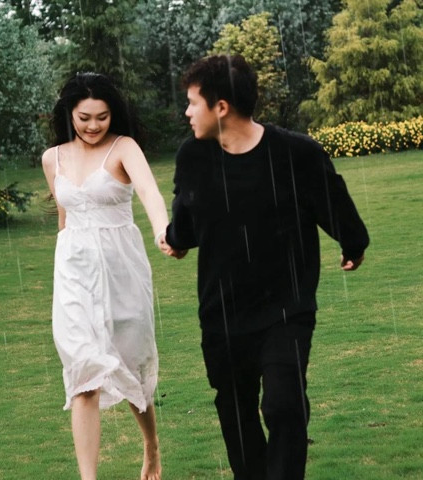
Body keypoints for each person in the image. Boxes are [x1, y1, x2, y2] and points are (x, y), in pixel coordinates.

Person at [164, 55, 370, 480]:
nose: (187, 112)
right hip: (222, 314)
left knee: (284, 405)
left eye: (192, 103)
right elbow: (187, 218)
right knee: (236, 414)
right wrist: (177, 240)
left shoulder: (297, 154)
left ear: (221, 107)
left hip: (285, 309)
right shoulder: (194, 157)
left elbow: (334, 204)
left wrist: (353, 243)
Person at [42, 72, 168, 480]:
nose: (93, 126)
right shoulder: (52, 158)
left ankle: (151, 445)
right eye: (84, 117)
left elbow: (149, 192)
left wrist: (162, 230)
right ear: (69, 114)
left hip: (122, 269)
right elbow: (65, 220)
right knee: (83, 374)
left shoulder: (123, 147)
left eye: (102, 116)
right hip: (74, 272)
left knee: (133, 365)